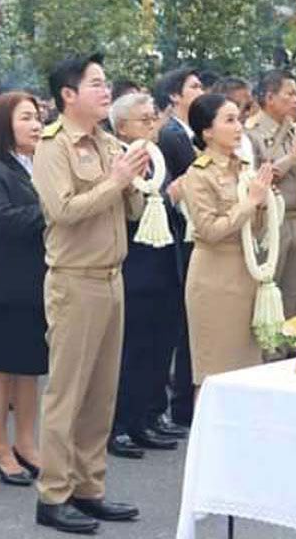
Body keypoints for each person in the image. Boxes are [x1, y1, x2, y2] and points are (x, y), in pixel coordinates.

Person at [31, 53, 146, 534]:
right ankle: (54, 494)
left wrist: (135, 180)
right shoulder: (52, 146)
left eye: (106, 83)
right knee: (68, 392)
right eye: (95, 84)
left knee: (101, 393)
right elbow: (64, 210)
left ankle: (89, 486)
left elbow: (133, 209)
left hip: (111, 276)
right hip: (75, 280)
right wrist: (115, 180)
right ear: (68, 95)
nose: (106, 91)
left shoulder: (107, 141)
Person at [0, 91, 48, 485]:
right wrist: (51, 209)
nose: (37, 125)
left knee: (30, 370)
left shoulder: (42, 166)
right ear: (4, 125)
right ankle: (1, 449)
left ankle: (27, 444)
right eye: (26, 118)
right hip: (1, 286)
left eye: (38, 117)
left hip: (37, 284)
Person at [106, 92, 185, 461]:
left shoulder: (157, 157)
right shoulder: (118, 159)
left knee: (159, 345)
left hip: (164, 264)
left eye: (154, 118)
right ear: (122, 127)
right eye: (144, 120)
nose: (153, 125)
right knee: (131, 350)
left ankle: (149, 416)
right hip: (133, 265)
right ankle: (120, 424)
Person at [181, 93, 271, 390]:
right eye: (229, 120)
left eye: (239, 119)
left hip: (246, 272)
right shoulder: (198, 174)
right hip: (214, 277)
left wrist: (265, 204)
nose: (238, 127)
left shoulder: (243, 167)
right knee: (214, 371)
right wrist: (250, 203)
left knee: (247, 368)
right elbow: (209, 229)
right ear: (207, 131)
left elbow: (256, 227)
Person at [149, 68, 201, 434]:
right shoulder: (171, 136)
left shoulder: (188, 133)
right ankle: (172, 404)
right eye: (194, 87)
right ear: (174, 96)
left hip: (182, 234)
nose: (202, 91)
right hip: (171, 236)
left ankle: (158, 410)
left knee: (178, 329)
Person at [248, 70, 296, 318]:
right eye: (290, 94)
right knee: (270, 290)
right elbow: (258, 178)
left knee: (295, 293)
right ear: (269, 97)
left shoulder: (294, 131)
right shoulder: (251, 134)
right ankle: (269, 353)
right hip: (273, 222)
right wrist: (293, 156)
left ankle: (290, 347)